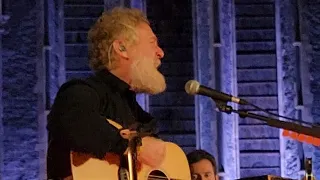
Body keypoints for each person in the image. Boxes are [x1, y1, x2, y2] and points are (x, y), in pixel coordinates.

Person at [46, 7, 167, 179]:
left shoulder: (138, 114)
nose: (160, 52)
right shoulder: (82, 91)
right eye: (152, 42)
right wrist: (132, 147)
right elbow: (71, 120)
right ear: (122, 48)